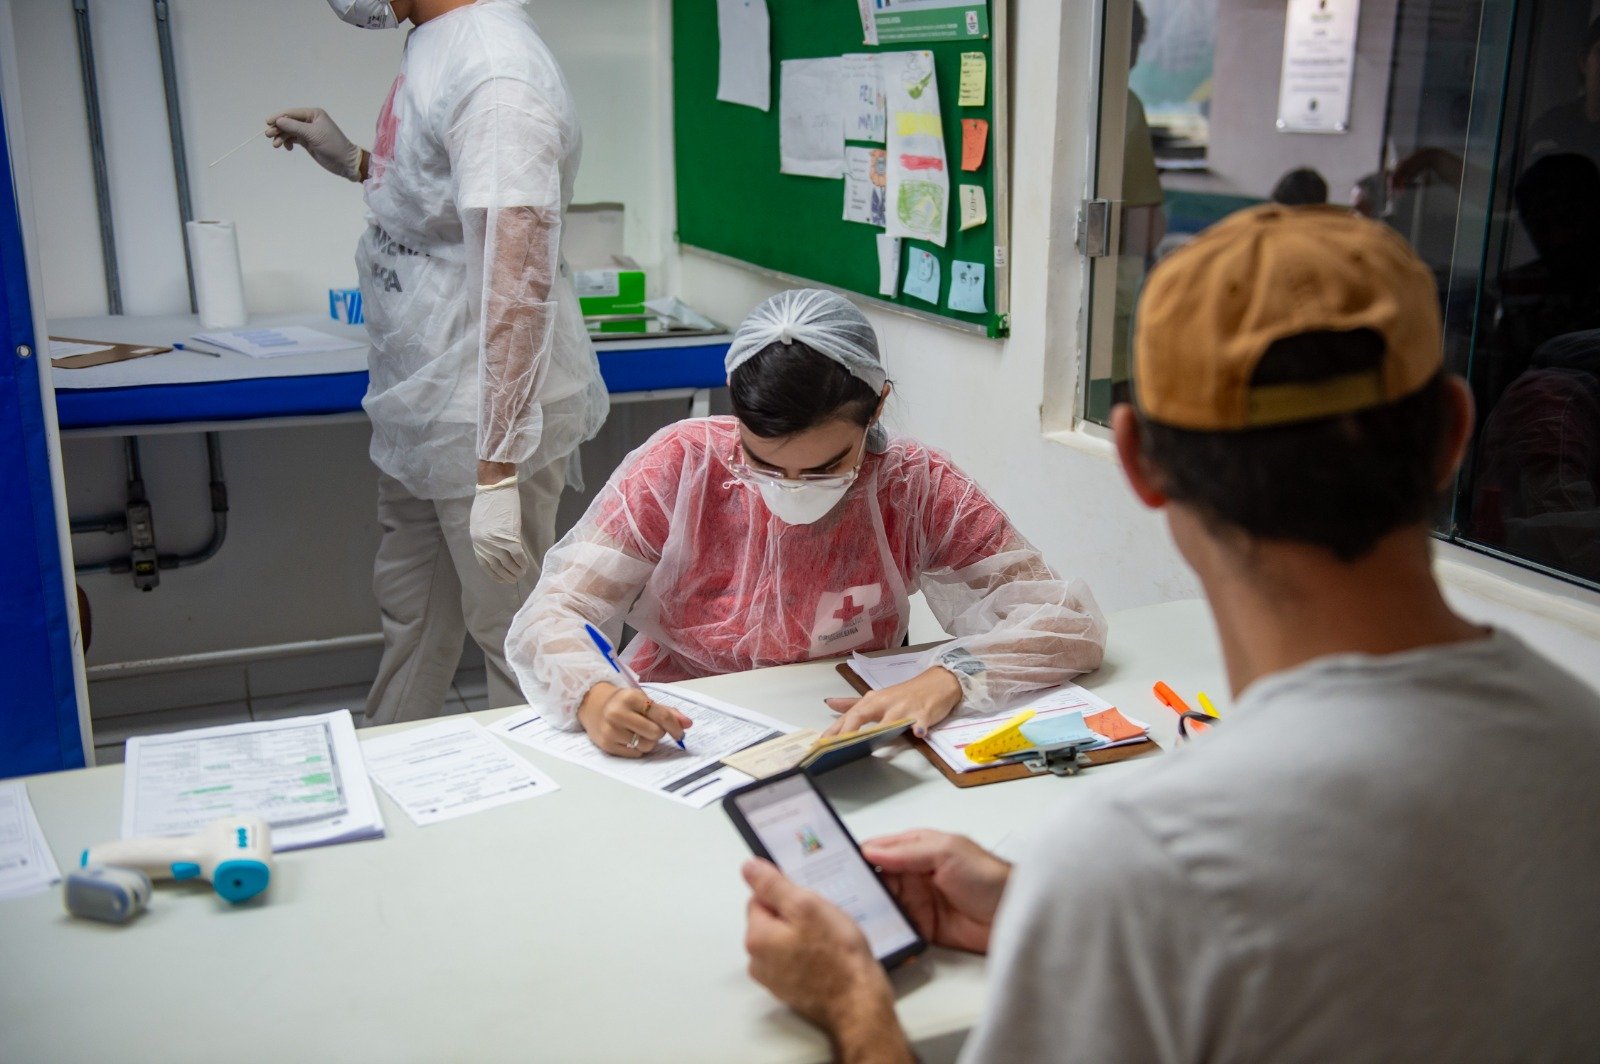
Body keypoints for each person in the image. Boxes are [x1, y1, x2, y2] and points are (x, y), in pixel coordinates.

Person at [739, 207, 1600, 1061]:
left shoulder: (1146, 859)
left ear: (1140, 464)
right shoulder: (1579, 742)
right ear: (1455, 433)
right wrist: (1049, 907)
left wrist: (853, 1002)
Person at [505, 289, 1107, 757]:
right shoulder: (680, 464)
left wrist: (952, 678)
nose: (791, 490)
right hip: (682, 720)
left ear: (877, 406)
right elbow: (555, 610)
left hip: (844, 726)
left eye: (825, 468)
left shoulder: (913, 485)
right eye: (764, 464)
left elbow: (1065, 623)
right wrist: (594, 694)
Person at [267, 0, 608, 726]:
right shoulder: (436, 41)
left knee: (514, 635)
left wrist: (497, 470)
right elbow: (446, 203)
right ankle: (397, 760)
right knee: (413, 610)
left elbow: (517, 279)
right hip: (427, 392)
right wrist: (357, 162)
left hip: (480, 411)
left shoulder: (497, 70)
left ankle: (533, 792)